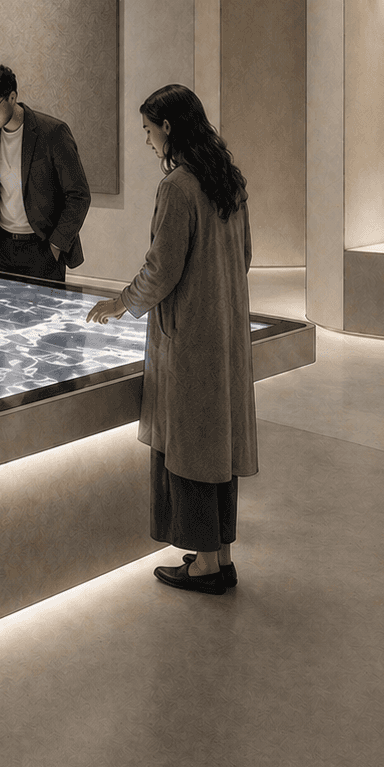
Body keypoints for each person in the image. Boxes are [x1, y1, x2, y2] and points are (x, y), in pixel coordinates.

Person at [86, 84, 256, 596]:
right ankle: (219, 554)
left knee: (191, 447)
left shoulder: (178, 187)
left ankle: (204, 567)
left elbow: (162, 270)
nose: (147, 140)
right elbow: (244, 257)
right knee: (217, 444)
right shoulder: (228, 180)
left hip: (190, 338)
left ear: (168, 128)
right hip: (226, 330)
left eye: (148, 130)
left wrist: (121, 303)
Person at [0, 62, 91, 285]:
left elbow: (79, 195)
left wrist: (55, 246)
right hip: (1, 248)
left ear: (12, 97)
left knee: (43, 308)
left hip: (43, 246)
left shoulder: (53, 133)